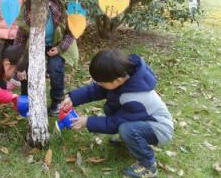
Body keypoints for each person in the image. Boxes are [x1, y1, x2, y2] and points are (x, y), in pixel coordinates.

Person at [61, 49, 173, 178]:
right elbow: (96, 90)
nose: (99, 84)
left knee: (127, 129)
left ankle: (148, 165)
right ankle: (131, 143)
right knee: (113, 112)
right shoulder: (123, 77)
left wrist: (87, 121)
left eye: (102, 82)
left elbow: (114, 124)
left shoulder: (134, 98)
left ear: (118, 80)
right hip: (145, 121)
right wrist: (73, 98)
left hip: (160, 129)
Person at [14, 0, 78, 115]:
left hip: (56, 44)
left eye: (40, 16)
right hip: (35, 45)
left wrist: (60, 48)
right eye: (31, 14)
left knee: (55, 68)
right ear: (28, 12)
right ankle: (26, 99)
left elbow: (71, 33)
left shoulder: (58, 14)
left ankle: (57, 101)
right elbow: (19, 44)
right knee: (26, 68)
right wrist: (20, 66)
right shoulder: (25, 20)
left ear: (46, 10)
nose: (36, 19)